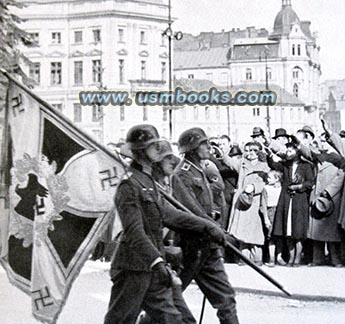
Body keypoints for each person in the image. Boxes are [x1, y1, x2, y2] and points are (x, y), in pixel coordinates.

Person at [104, 125, 227, 324]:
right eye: (151, 146)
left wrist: (207, 226)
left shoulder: (148, 181)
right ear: (140, 151)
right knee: (120, 320)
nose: (157, 149)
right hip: (133, 269)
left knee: (175, 320)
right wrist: (157, 262)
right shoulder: (129, 185)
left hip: (153, 269)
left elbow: (170, 215)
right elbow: (134, 231)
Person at [172, 127, 240, 324]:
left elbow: (204, 206)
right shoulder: (182, 174)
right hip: (190, 247)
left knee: (226, 299)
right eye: (204, 144)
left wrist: (214, 219)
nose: (209, 147)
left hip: (208, 246)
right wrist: (213, 226)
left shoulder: (201, 169)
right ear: (192, 148)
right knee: (169, 297)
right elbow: (191, 210)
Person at [266, 142, 315, 266]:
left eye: (290, 150)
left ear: (297, 152)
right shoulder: (285, 165)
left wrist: (299, 186)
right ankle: (291, 257)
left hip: (299, 200)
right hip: (286, 200)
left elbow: (310, 182)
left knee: (298, 231)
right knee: (287, 230)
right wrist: (269, 155)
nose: (288, 152)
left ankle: (297, 258)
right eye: (287, 150)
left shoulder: (306, 166)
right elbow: (273, 164)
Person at [224, 142, 270, 265]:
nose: (250, 153)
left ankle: (257, 258)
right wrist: (224, 150)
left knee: (255, 230)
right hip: (243, 201)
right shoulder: (242, 164)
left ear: (258, 152)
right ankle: (244, 257)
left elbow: (266, 183)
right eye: (248, 150)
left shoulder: (264, 166)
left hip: (255, 201)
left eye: (253, 150)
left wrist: (254, 187)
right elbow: (229, 161)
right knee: (242, 231)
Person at [307, 135, 344, 267]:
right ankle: (317, 259)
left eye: (324, 141)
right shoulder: (319, 157)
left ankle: (335, 258)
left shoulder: (338, 159)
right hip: (317, 196)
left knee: (331, 232)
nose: (321, 144)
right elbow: (305, 151)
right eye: (320, 141)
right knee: (316, 231)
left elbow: (340, 177)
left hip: (331, 199)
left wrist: (328, 192)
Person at [261, 170, 283, 266]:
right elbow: (264, 204)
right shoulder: (266, 188)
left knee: (280, 236)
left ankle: (279, 257)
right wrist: (266, 218)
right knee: (271, 236)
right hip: (270, 212)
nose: (267, 179)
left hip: (280, 212)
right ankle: (271, 258)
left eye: (270, 178)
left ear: (277, 179)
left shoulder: (282, 188)